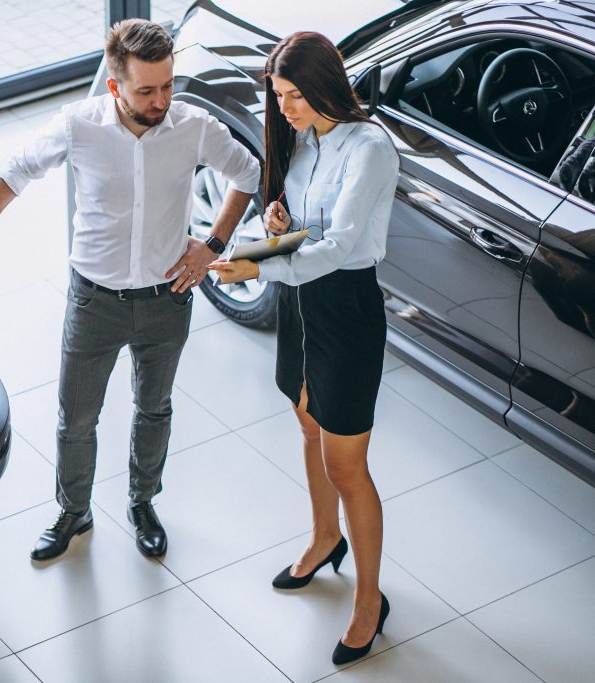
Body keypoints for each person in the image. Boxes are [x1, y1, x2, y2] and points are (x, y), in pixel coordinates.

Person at [0, 19, 259, 561]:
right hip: (94, 301)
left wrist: (213, 243)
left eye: (168, 85)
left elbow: (249, 173)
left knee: (154, 408)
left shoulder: (193, 125)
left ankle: (143, 503)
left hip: (168, 299)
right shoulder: (78, 125)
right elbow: (16, 169)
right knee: (77, 419)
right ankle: (73, 512)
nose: (162, 99)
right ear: (115, 86)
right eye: (147, 89)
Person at [208, 32, 398, 665]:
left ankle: (369, 601)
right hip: (301, 304)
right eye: (278, 96)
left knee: (347, 465)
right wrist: (271, 236)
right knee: (306, 421)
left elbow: (342, 249)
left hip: (345, 310)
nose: (282, 108)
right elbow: (304, 234)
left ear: (320, 87)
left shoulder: (368, 148)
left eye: (291, 96)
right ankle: (324, 538)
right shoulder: (305, 139)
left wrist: (258, 268)